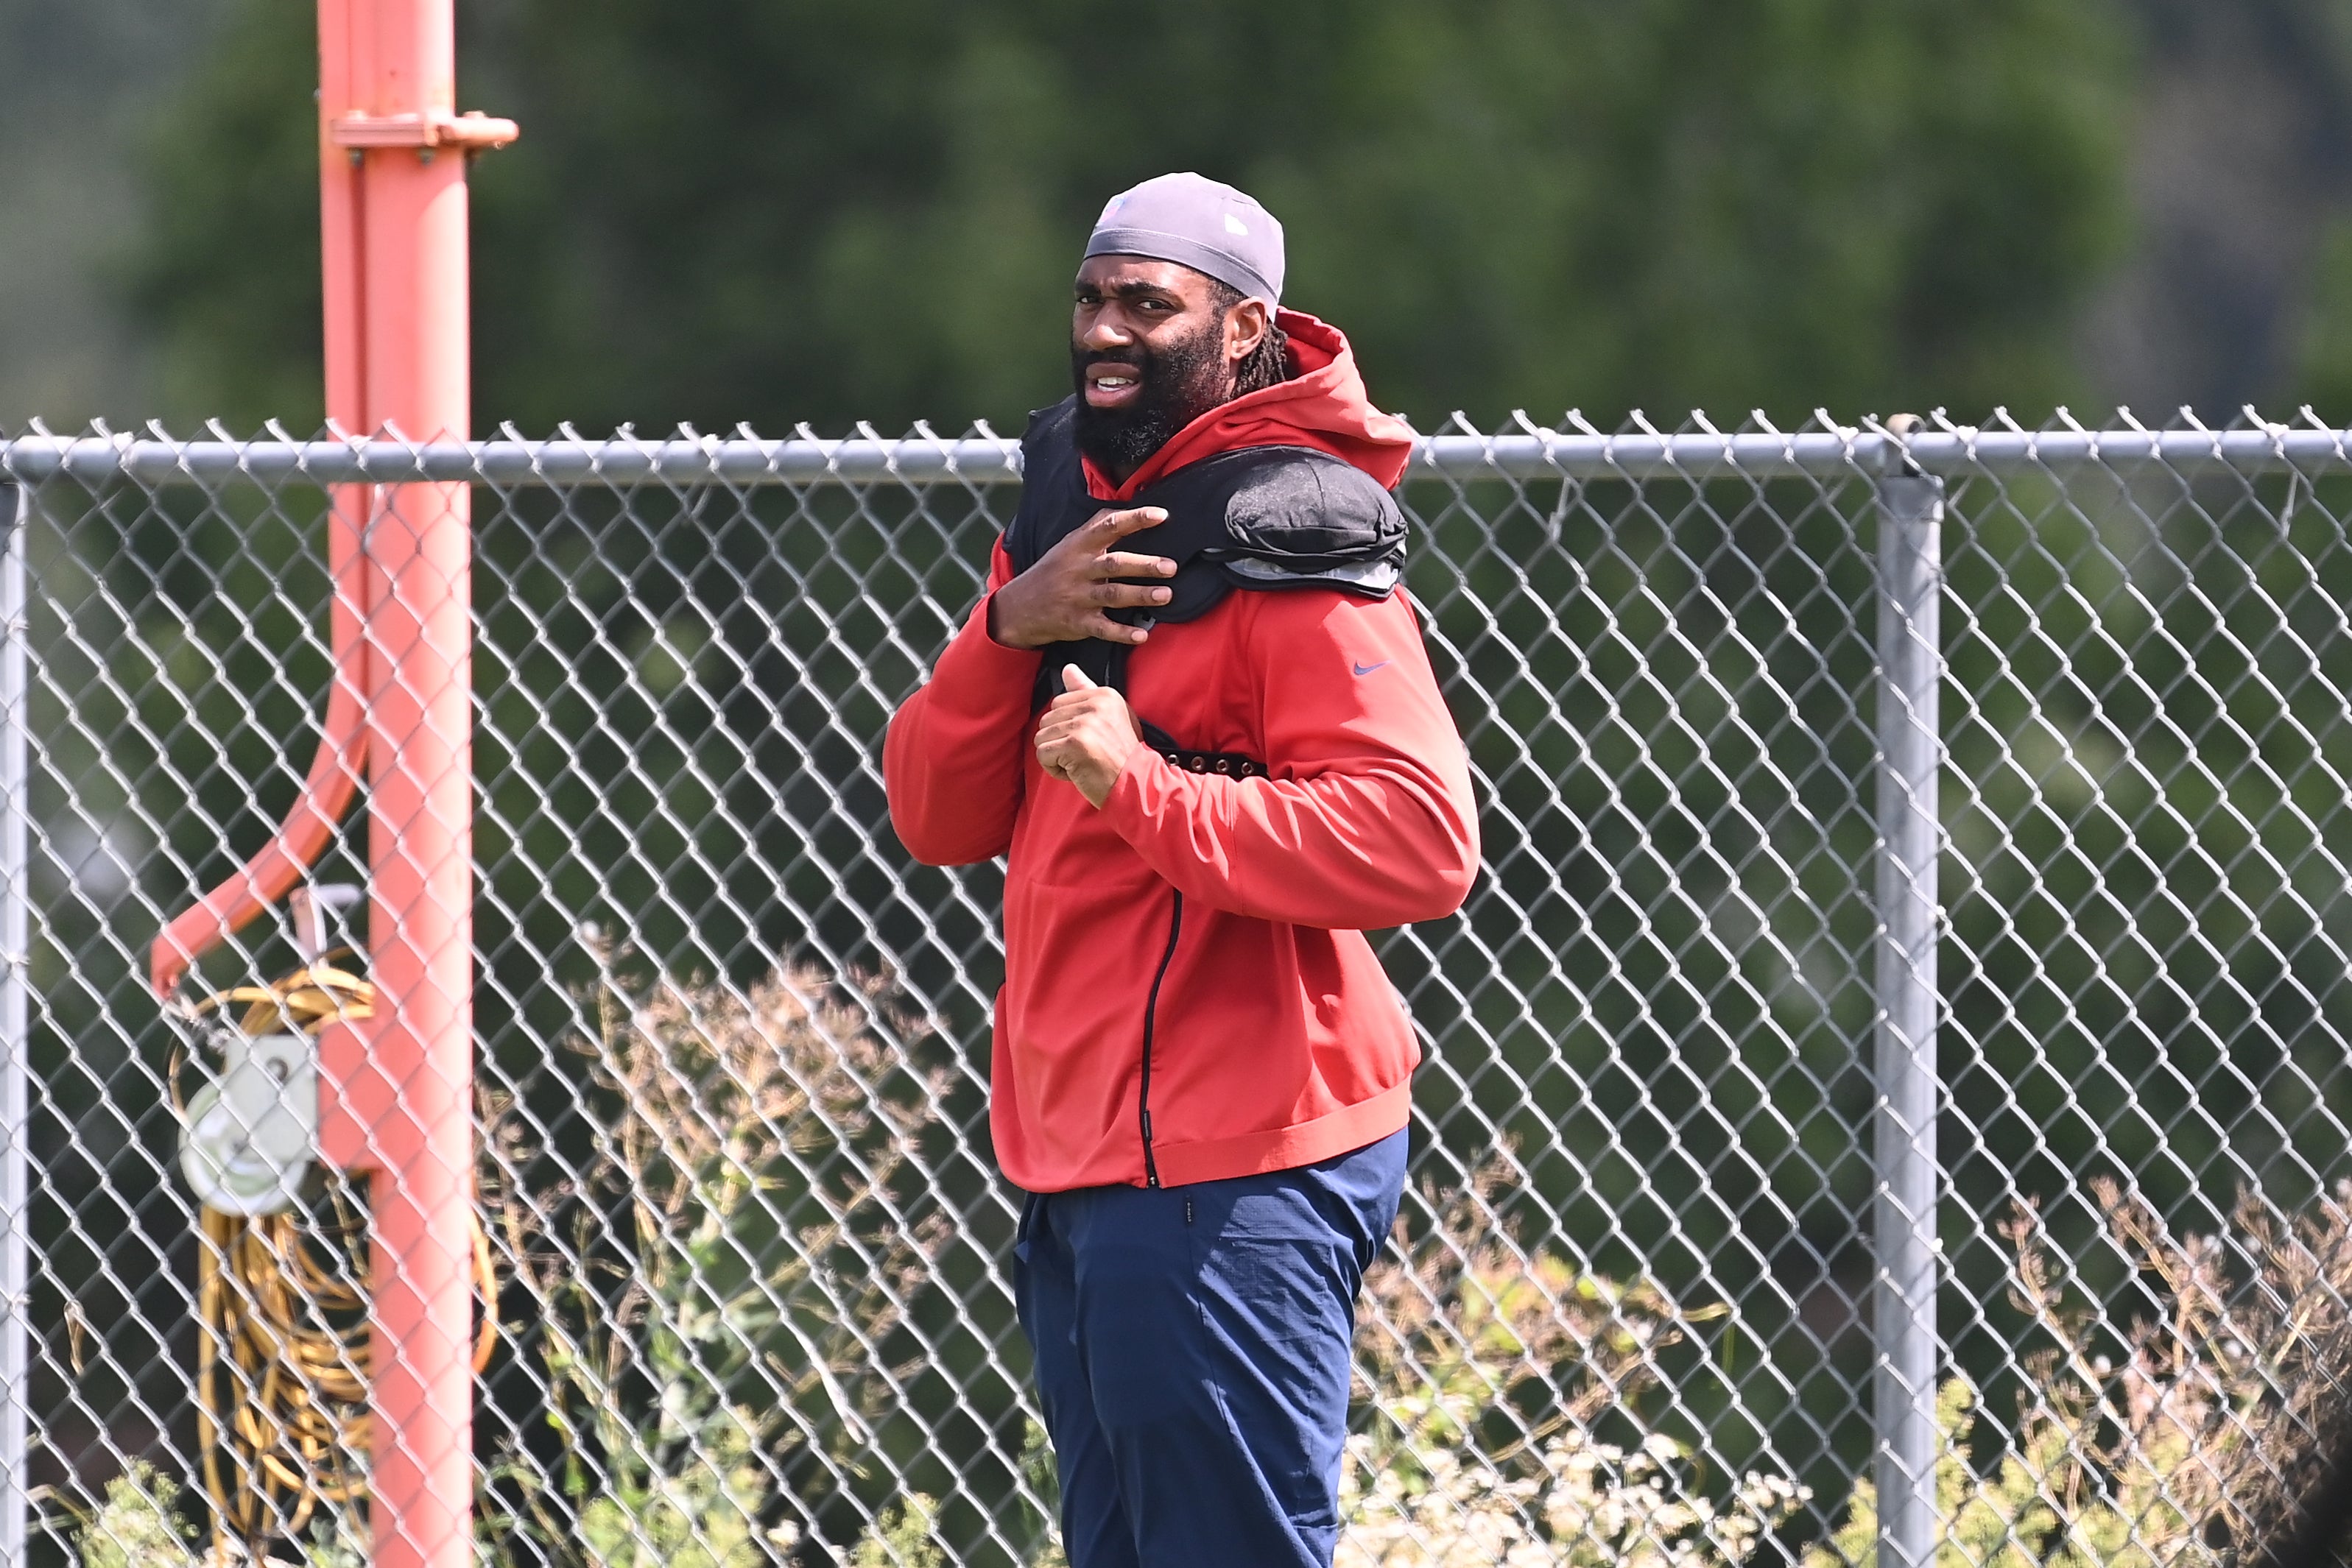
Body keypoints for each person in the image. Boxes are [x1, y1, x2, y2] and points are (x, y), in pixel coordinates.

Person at [884, 172, 1479, 1568]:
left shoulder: (1295, 531)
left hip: (1234, 1168)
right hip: (1083, 1162)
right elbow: (933, 812)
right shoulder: (1065, 518)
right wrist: (1007, 625)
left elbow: (1418, 836)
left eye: (1148, 304)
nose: (1105, 329)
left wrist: (1141, 791)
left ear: (1242, 327)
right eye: (1090, 297)